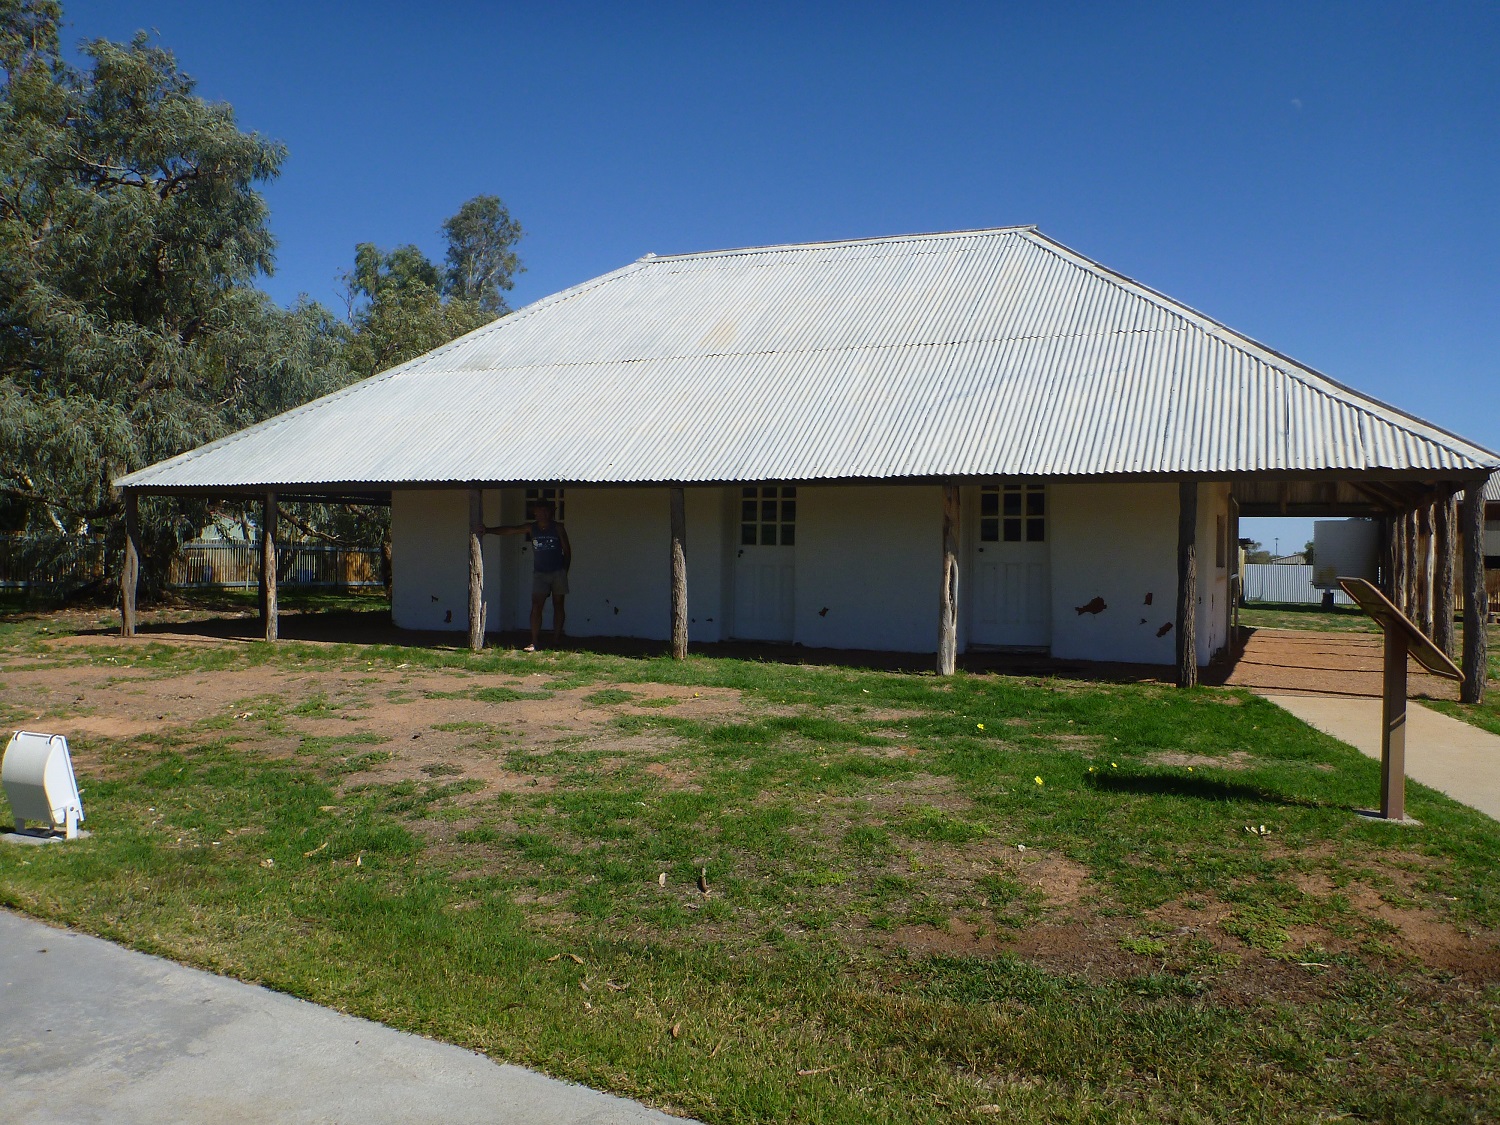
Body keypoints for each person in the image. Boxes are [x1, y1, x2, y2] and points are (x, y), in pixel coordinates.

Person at [487, 500, 571, 651]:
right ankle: (534, 641)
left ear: (550, 512)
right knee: (536, 605)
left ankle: (556, 640)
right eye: (539, 511)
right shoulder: (532, 528)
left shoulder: (557, 527)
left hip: (558, 572)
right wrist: (488, 530)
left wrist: (564, 570)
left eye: (545, 511)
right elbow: (511, 530)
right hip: (540, 573)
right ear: (535, 513)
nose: (542, 514)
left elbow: (567, 550)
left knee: (558, 605)